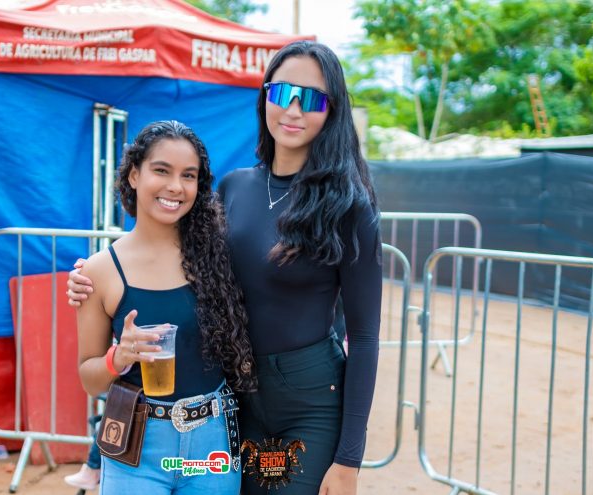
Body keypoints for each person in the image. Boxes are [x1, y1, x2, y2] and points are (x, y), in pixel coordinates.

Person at [69, 41, 382, 495]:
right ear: (265, 97)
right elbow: (175, 248)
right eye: (282, 93)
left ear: (332, 111)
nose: (293, 109)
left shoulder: (349, 206)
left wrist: (349, 458)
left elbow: (367, 337)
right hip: (239, 401)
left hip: (310, 404)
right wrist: (92, 275)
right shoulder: (235, 188)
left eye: (311, 98)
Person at [75, 120, 256, 494]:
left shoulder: (220, 255)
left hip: (213, 446)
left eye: (188, 176)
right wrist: (117, 357)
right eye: (162, 170)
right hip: (136, 449)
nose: (175, 186)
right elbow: (89, 377)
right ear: (134, 175)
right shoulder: (98, 271)